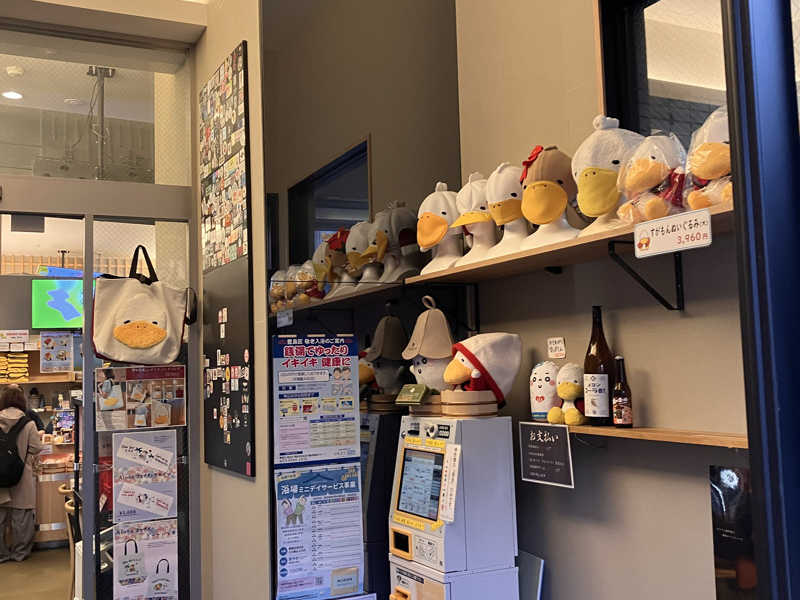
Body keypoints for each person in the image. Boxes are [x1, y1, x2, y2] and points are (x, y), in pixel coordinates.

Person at [0, 385, 43, 563]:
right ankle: (20, 553)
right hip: (21, 475)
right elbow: (36, 448)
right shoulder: (28, 424)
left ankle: (2, 554)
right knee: (22, 517)